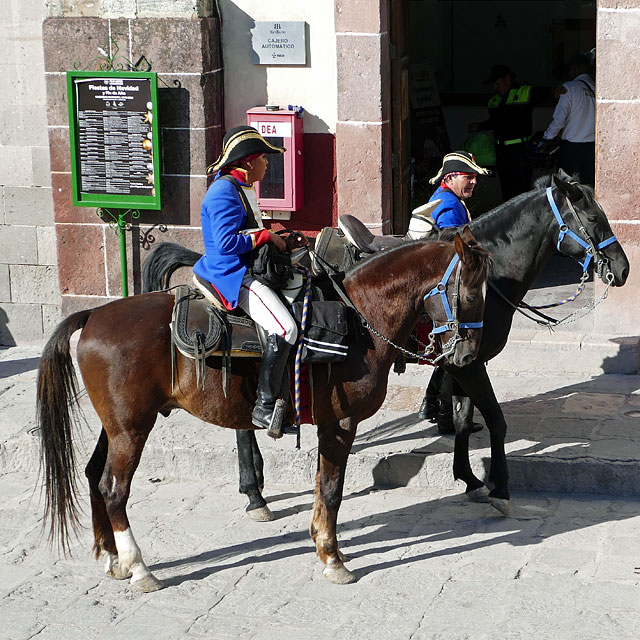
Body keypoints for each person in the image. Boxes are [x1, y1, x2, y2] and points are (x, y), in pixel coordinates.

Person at [192, 125, 299, 434]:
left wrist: (274, 236)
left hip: (246, 265)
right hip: (231, 274)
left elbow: (248, 230)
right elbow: (227, 244)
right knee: (286, 328)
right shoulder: (224, 192)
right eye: (264, 159)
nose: (268, 164)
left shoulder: (241, 186)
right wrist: (264, 235)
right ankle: (264, 408)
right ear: (250, 161)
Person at [418, 151, 488, 434]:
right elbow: (453, 249)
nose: (473, 182)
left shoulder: (450, 198)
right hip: (445, 292)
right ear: (450, 178)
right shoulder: (448, 206)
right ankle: (448, 415)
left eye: (474, 178)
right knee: (455, 351)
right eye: (467, 177)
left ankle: (430, 403)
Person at [469, 64, 534, 201]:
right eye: (493, 85)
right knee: (507, 190)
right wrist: (479, 126)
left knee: (522, 191)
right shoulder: (495, 99)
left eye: (497, 83)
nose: (495, 88)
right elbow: (495, 122)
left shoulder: (524, 91)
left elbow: (547, 93)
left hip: (520, 151)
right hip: (502, 151)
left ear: (508, 79)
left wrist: (559, 90)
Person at [541, 53, 595, 185]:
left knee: (565, 189)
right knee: (588, 189)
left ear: (575, 69)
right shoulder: (597, 88)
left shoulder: (569, 88)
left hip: (572, 149)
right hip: (593, 149)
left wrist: (547, 138)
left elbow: (559, 120)